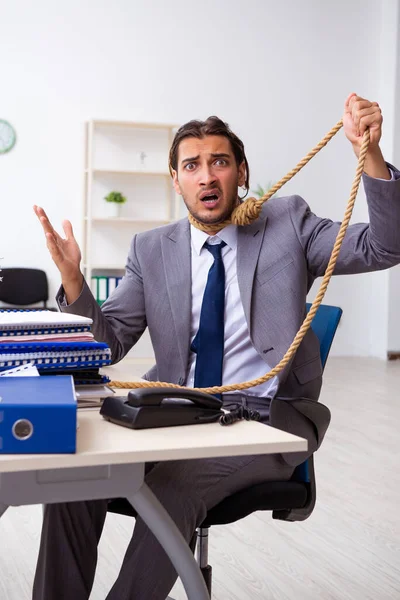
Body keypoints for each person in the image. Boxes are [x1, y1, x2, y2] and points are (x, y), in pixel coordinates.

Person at [32, 93, 400, 599]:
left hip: (265, 419)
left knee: (172, 490)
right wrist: (73, 281)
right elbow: (107, 344)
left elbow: (386, 245)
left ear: (241, 172)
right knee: (73, 484)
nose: (207, 176)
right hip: (176, 414)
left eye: (219, 162)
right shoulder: (150, 249)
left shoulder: (287, 222)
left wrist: (371, 154)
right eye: (192, 165)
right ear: (176, 179)